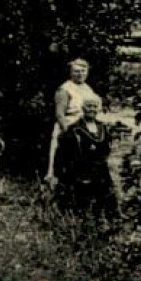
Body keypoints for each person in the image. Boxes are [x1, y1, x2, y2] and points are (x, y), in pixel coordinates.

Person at [51, 95, 120, 217]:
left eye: (95, 106)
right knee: (81, 204)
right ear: (82, 108)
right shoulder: (74, 130)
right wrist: (58, 174)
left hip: (100, 172)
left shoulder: (103, 128)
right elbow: (61, 154)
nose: (92, 109)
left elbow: (107, 148)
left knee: (105, 201)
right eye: (89, 106)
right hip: (80, 172)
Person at [45, 58, 98, 187]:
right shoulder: (65, 89)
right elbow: (59, 114)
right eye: (76, 71)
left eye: (83, 71)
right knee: (64, 156)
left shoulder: (87, 88)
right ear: (70, 73)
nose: (80, 74)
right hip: (69, 124)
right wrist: (67, 131)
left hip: (85, 125)